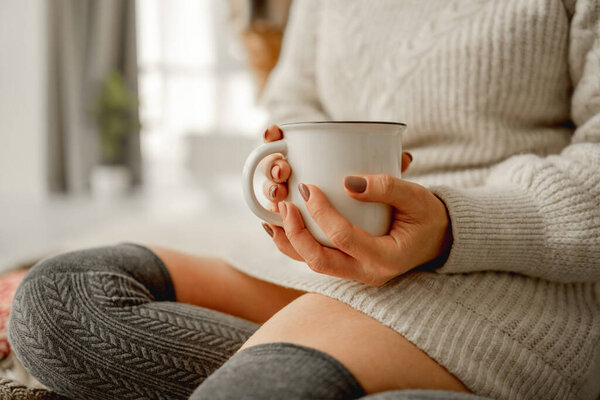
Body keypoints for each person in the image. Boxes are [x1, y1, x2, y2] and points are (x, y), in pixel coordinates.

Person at [9, 1, 600, 399]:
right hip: (330, 254)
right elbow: (292, 102)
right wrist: (295, 171)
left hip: (509, 266)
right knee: (58, 302)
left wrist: (449, 225)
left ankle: (323, 365)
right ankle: (366, 373)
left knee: (259, 388)